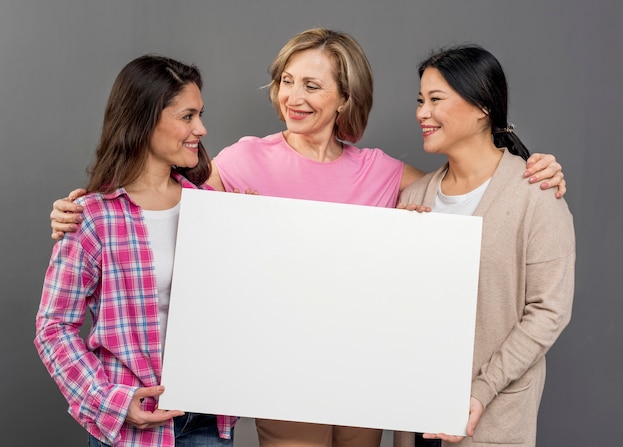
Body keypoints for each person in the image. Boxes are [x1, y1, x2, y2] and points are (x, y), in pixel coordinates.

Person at [47, 29, 567, 447]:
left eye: (312, 86)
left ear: (345, 98)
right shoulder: (241, 160)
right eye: (287, 81)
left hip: (365, 375)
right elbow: (157, 202)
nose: (293, 97)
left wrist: (534, 167)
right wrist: (79, 208)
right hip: (283, 380)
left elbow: (459, 189)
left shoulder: (383, 173)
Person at [34, 55, 237, 447]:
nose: (202, 128)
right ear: (145, 119)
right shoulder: (91, 217)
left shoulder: (213, 208)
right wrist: (110, 401)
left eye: (200, 115)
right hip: (132, 429)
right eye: (187, 116)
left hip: (208, 423)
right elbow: (53, 328)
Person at [394, 45, 575, 447]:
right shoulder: (415, 196)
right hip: (418, 414)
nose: (422, 112)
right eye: (420, 101)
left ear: (482, 106)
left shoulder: (535, 191)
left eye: (436, 100)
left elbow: (549, 310)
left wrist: (481, 389)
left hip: (491, 418)